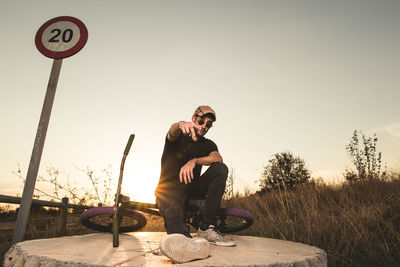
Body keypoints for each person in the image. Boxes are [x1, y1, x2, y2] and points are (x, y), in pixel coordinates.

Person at [155, 105, 235, 263]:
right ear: (193, 119)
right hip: (169, 192)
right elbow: (172, 132)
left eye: (208, 124)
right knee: (173, 213)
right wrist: (179, 124)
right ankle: (182, 239)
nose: (204, 126)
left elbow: (217, 158)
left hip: (192, 190)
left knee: (220, 168)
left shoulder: (207, 144)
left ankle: (207, 228)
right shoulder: (178, 136)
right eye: (201, 121)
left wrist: (195, 161)